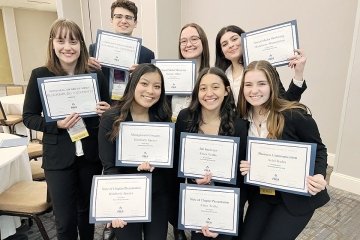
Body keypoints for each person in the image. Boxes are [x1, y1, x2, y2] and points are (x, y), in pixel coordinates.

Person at [22, 19, 111, 240]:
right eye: (61, 41)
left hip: (89, 156)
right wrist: (56, 124)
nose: (67, 47)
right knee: (64, 221)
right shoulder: (39, 75)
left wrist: (107, 111)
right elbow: (29, 117)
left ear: (81, 44)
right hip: (58, 158)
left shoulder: (95, 76)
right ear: (52, 44)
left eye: (73, 41)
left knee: (86, 216)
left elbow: (109, 112)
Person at [237, 60, 330, 239]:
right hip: (262, 195)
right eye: (248, 84)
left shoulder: (293, 115)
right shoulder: (241, 120)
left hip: (295, 198)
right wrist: (247, 166)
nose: (254, 90)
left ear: (272, 84)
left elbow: (319, 149)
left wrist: (319, 175)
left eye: (261, 83)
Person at [172, 67, 248, 240]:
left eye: (215, 87)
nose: (209, 93)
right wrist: (193, 179)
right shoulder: (185, 118)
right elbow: (178, 162)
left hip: (226, 203)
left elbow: (241, 179)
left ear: (226, 91)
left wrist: (226, 218)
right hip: (197, 200)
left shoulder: (239, 125)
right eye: (203, 88)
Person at [98, 63, 172, 240]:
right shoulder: (111, 118)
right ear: (133, 84)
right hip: (127, 196)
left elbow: (169, 164)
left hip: (157, 195)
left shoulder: (162, 119)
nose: (150, 91)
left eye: (157, 86)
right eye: (144, 84)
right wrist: (115, 207)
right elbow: (109, 167)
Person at [215, 25, 307, 105]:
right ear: (222, 52)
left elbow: (286, 102)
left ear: (245, 40)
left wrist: (298, 73)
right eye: (224, 44)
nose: (230, 45)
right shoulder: (221, 76)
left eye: (234, 39)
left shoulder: (263, 69)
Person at [88, 0, 155, 100]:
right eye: (118, 16)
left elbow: (151, 84)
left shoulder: (147, 54)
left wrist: (141, 74)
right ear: (111, 20)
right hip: (105, 106)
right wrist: (85, 67)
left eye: (128, 17)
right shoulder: (95, 49)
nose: (123, 21)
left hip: (133, 106)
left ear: (135, 22)